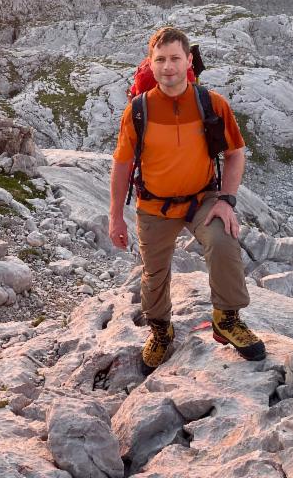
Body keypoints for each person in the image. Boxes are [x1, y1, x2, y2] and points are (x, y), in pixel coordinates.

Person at [109, 26, 266, 371]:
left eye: (175, 59)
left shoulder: (211, 103)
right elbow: (122, 165)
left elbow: (235, 153)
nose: (168, 67)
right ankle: (160, 330)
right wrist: (116, 217)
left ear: (188, 60)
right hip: (154, 205)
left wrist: (227, 199)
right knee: (154, 272)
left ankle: (226, 319)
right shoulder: (138, 110)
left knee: (224, 240)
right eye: (160, 60)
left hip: (201, 200)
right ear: (150, 64)